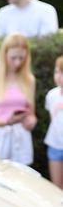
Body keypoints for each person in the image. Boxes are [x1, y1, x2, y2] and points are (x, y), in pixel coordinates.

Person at [0, 32, 36, 165]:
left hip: (21, 138)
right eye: (13, 57)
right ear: (4, 54)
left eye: (22, 58)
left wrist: (31, 121)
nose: (17, 62)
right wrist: (7, 121)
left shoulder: (29, 80)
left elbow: (32, 114)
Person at [44, 55, 63, 189]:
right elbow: (53, 120)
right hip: (55, 144)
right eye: (57, 72)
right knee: (56, 187)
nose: (59, 76)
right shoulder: (51, 95)